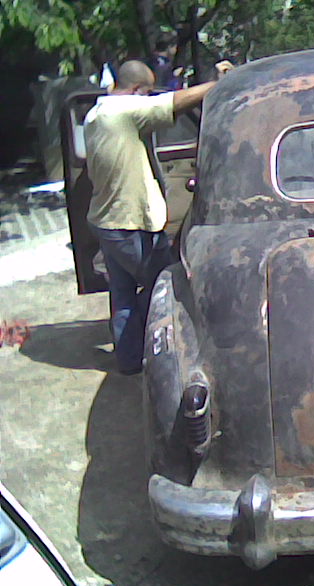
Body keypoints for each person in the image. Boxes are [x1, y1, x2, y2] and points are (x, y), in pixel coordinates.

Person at [83, 58, 233, 374]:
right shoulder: (123, 112)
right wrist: (218, 84)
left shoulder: (97, 112)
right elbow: (175, 102)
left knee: (123, 296)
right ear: (138, 90)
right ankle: (165, 356)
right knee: (164, 288)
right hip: (130, 224)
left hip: (106, 220)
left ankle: (128, 362)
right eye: (148, 93)